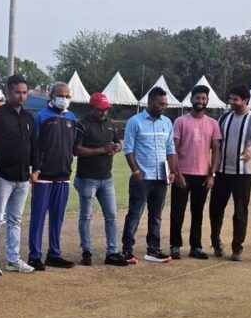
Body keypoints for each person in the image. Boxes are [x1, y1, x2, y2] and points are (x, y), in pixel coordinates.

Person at [0, 75, 37, 275]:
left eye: (24, 92)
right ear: (8, 92)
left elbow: (34, 144)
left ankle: (13, 259)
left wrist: (36, 169)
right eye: (17, 92)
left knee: (16, 220)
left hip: (23, 177)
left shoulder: (29, 117)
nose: (21, 96)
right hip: (2, 176)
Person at [209, 84, 251, 261]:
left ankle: (237, 247)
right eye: (231, 99)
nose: (231, 102)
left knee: (240, 211)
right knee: (215, 209)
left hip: (243, 174)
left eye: (235, 99)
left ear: (246, 100)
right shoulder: (224, 118)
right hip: (222, 172)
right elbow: (216, 142)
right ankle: (216, 242)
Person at [121, 87, 177, 264]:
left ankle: (153, 250)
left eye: (165, 104)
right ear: (150, 102)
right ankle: (127, 250)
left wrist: (173, 171)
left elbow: (170, 149)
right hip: (142, 177)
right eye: (160, 104)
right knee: (135, 213)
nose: (163, 107)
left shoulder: (167, 122)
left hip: (161, 177)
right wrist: (136, 170)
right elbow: (128, 149)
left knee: (156, 215)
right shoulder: (135, 121)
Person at [73, 92, 127, 267]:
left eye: (106, 109)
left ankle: (112, 252)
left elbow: (118, 143)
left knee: (111, 216)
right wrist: (102, 150)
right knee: (86, 216)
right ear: (92, 108)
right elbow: (77, 150)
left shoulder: (110, 124)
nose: (104, 112)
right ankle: (86, 251)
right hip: (87, 177)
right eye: (100, 109)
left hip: (106, 178)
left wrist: (117, 147)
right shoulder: (82, 124)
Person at [27, 82, 76, 271]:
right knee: (38, 216)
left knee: (57, 217)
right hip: (43, 176)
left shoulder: (71, 117)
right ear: (51, 96)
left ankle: (54, 253)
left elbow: (72, 144)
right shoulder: (41, 117)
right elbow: (34, 145)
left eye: (67, 96)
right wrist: (36, 168)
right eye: (61, 95)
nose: (64, 99)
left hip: (63, 175)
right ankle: (34, 255)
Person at [169, 85, 222, 260]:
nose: (200, 101)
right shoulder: (181, 121)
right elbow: (173, 148)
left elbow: (216, 150)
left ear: (207, 101)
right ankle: (175, 245)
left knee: (198, 212)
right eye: (197, 98)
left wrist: (212, 175)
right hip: (183, 174)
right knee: (177, 211)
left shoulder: (213, 123)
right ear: (191, 99)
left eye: (203, 98)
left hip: (203, 175)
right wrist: (177, 173)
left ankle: (196, 246)